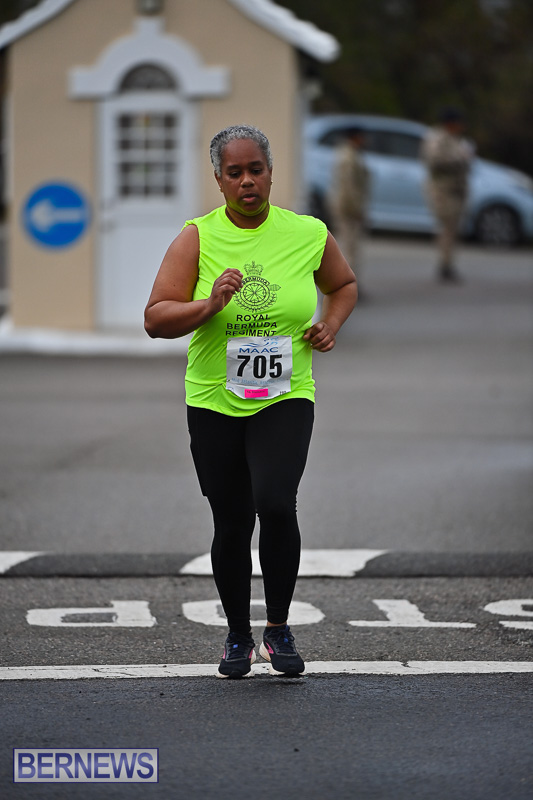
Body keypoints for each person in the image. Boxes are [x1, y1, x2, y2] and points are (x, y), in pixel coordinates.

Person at [145, 124, 357, 679]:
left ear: (270, 173)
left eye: (255, 170)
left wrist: (330, 324)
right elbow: (156, 318)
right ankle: (238, 636)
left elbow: (343, 285)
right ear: (218, 180)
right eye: (234, 173)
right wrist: (208, 305)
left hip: (284, 394)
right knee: (232, 518)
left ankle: (278, 628)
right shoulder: (197, 238)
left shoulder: (307, 233)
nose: (247, 182)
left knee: (276, 502)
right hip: (214, 398)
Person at [421, 108, 473, 283]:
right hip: (442, 190)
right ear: (450, 123)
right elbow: (434, 161)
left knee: (453, 228)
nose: (461, 126)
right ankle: (445, 265)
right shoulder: (437, 138)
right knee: (447, 228)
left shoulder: (457, 140)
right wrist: (460, 159)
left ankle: (447, 263)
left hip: (457, 189)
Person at [327, 127, 370, 296]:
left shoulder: (350, 154)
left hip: (347, 205)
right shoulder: (348, 157)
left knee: (350, 246)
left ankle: (348, 285)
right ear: (354, 137)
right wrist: (356, 209)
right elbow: (348, 187)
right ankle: (347, 287)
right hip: (348, 207)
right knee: (350, 247)